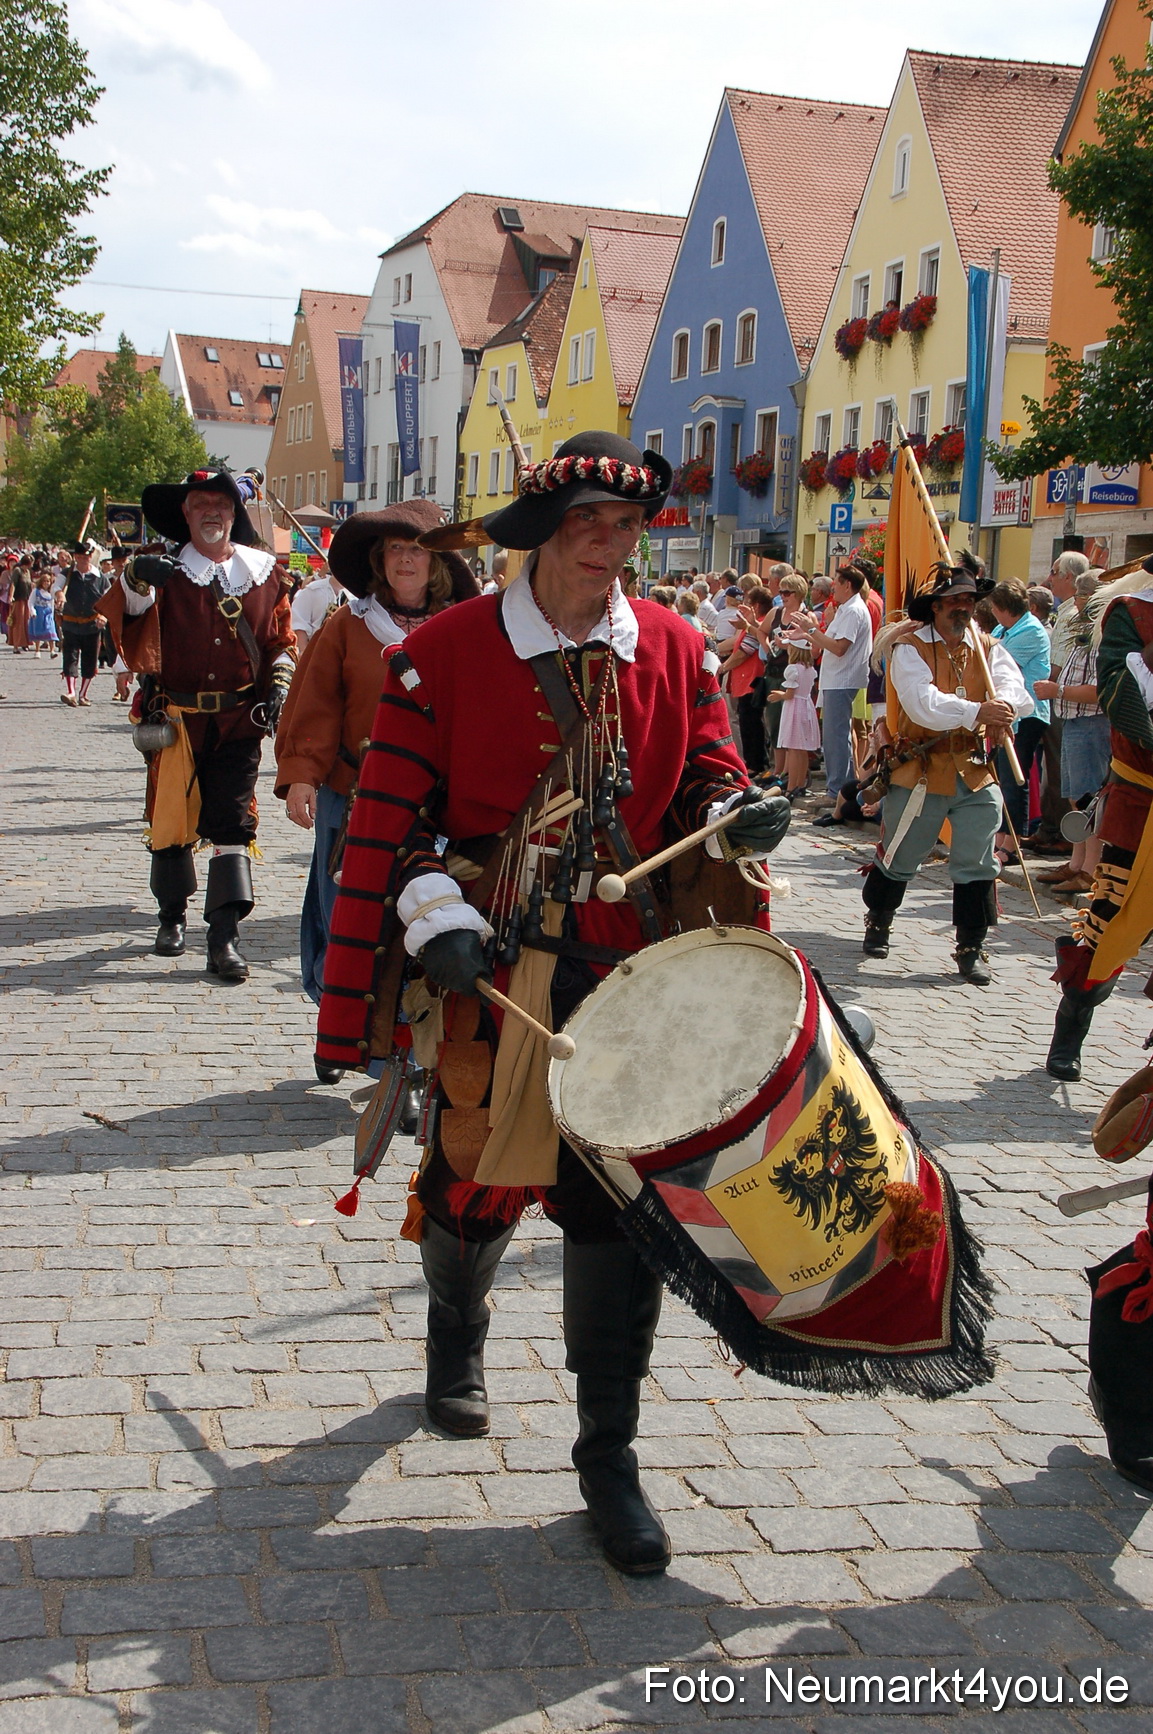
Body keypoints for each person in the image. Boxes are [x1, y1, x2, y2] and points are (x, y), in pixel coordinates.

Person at [315, 430, 789, 1576]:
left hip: (632, 968)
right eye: (586, 524)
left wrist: (742, 811)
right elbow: (393, 823)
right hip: (496, 960)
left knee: (622, 1207)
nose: (608, 548)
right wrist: (439, 918)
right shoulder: (444, 653)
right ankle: (455, 1328)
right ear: (542, 531)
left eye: (625, 528)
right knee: (475, 1175)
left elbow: (709, 773)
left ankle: (607, 1453)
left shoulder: (675, 645)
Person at [275, 501, 478, 1062]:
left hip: (435, 806)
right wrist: (302, 778)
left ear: (435, 562)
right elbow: (314, 704)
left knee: (423, 919)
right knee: (344, 913)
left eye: (416, 549)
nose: (405, 560)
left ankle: (404, 1049)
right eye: (394, 549)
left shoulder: (464, 630)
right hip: (354, 799)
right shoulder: (347, 625)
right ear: (379, 560)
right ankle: (340, 1025)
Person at [100, 469, 296, 982]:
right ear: (185, 515)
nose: (212, 512)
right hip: (178, 718)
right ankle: (170, 916)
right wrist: (136, 577)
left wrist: (279, 685)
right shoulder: (166, 572)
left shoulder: (265, 574)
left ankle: (224, 936)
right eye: (200, 504)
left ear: (236, 514)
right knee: (171, 822)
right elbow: (133, 617)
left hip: (238, 721)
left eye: (221, 504)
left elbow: (281, 641)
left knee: (233, 824)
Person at [859, 562, 1030, 984]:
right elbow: (922, 705)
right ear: (935, 607)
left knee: (977, 860)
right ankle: (879, 919)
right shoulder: (910, 648)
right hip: (922, 768)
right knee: (901, 853)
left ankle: (971, 948)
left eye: (969, 601)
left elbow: (1017, 691)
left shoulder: (988, 647)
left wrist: (1003, 706)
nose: (962, 608)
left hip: (973, 768)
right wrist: (978, 711)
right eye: (954, 601)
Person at [1044, 556, 1153, 1079]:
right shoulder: (1131, 611)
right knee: (1105, 924)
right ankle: (1072, 1025)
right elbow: (1118, 692)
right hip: (1141, 801)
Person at [1034, 570, 1107, 900]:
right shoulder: (1086, 633)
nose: (1074, 600)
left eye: (1080, 595)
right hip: (1076, 722)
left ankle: (1091, 868)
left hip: (1092, 724)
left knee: (1090, 798)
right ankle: (1077, 863)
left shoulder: (1104, 638)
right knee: (1077, 796)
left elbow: (1098, 692)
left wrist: (1057, 689)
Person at [988, 578, 1052, 866]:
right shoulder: (1004, 628)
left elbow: (998, 662)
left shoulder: (1031, 631)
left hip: (1027, 715)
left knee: (1016, 778)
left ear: (1002, 608)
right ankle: (1001, 836)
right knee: (1003, 779)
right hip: (1007, 716)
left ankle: (1012, 844)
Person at [801, 564, 873, 806]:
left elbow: (840, 648)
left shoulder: (853, 611)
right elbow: (829, 642)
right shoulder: (846, 609)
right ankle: (843, 788)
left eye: (836, 583)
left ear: (847, 585)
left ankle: (836, 791)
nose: (833, 588)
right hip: (836, 678)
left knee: (836, 736)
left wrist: (810, 629)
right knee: (838, 735)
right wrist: (806, 635)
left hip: (843, 678)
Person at [58, 543, 110, 706]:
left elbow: (108, 600)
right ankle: (71, 692)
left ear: (90, 557)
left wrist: (103, 615)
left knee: (90, 660)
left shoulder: (100, 577)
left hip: (91, 625)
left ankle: (83, 694)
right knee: (70, 657)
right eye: (79, 557)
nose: (82, 560)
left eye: (85, 557)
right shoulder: (66, 575)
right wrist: (59, 594)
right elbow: (56, 587)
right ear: (75, 557)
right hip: (71, 624)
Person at [769, 641, 819, 797]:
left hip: (795, 708)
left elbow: (790, 694)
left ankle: (791, 786)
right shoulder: (810, 670)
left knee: (794, 748)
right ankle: (800, 784)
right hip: (806, 705)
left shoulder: (793, 669)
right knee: (802, 750)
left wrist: (779, 695)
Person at [289, 566, 351, 653]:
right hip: (314, 653)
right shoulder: (313, 590)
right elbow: (299, 625)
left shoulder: (359, 596)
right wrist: (305, 656)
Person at [28, 575, 59, 658]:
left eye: (48, 581)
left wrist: (52, 613)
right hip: (38, 613)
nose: (46, 583)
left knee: (50, 631)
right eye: (44, 581)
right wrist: (32, 612)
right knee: (38, 631)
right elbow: (31, 602)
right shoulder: (36, 591)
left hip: (48, 613)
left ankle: (52, 651)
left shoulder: (51, 593)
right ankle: (37, 650)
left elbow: (52, 604)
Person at [7, 561, 32, 653]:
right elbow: (13, 584)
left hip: (27, 599)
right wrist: (11, 596)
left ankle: (25, 643)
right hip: (18, 599)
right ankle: (16, 645)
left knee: (26, 622)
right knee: (18, 622)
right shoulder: (17, 570)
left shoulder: (28, 572)